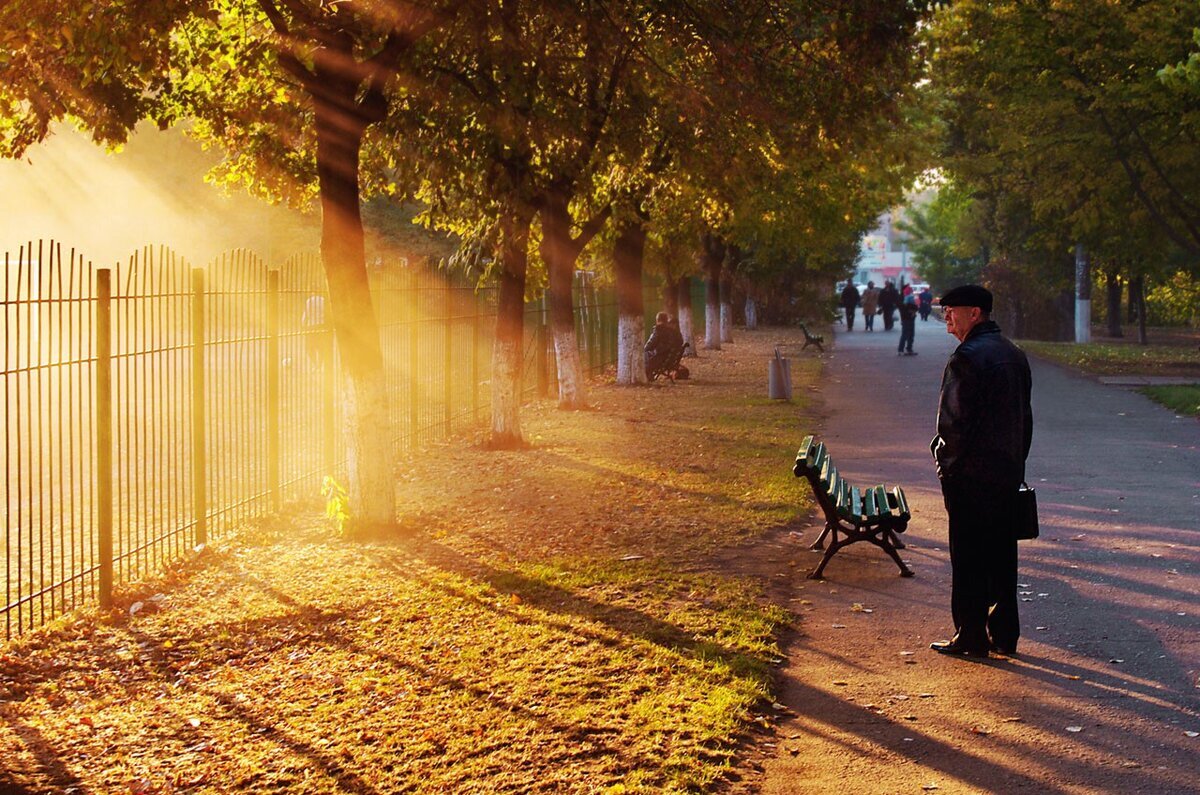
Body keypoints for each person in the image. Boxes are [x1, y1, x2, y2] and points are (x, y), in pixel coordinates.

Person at [929, 284, 1033, 658]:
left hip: (970, 477)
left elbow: (953, 425)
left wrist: (947, 467)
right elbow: (1025, 420)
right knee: (1003, 556)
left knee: (969, 557)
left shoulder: (967, 358)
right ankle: (1004, 634)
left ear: (975, 313)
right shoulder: (1013, 354)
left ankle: (971, 636)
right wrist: (1016, 461)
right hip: (1005, 473)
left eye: (951, 310)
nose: (946, 317)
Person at [645, 311, 686, 380]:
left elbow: (649, 346)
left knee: (643, 354)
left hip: (658, 360)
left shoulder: (658, 330)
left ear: (657, 320)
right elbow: (680, 342)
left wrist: (643, 349)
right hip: (669, 361)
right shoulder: (675, 332)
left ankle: (648, 375)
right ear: (666, 320)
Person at [897, 286, 918, 356]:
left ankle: (908, 349)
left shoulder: (906, 299)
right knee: (906, 334)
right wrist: (912, 310)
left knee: (910, 334)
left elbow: (915, 307)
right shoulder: (903, 300)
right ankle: (901, 350)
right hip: (907, 319)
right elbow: (913, 307)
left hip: (909, 318)